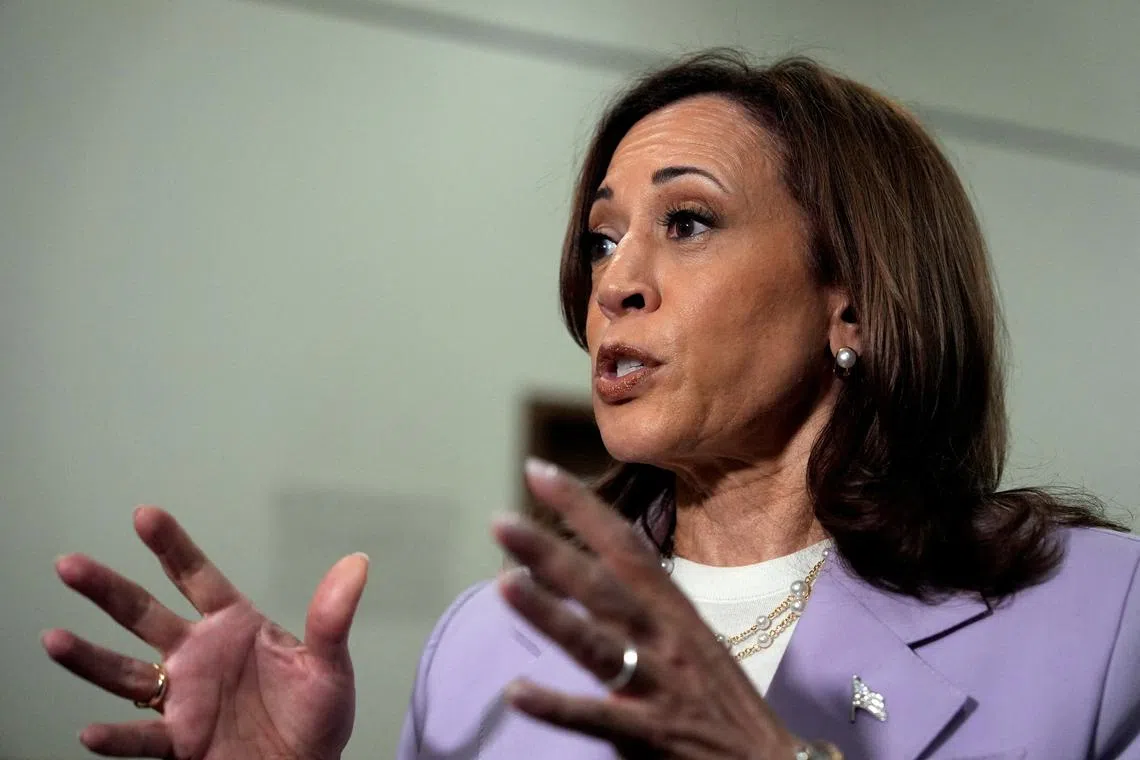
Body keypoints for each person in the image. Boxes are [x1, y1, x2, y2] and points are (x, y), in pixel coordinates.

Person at [42, 52, 1139, 760]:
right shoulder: (484, 643)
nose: (614, 280)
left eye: (690, 222)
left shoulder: (1101, 619)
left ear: (850, 304)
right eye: (604, 237)